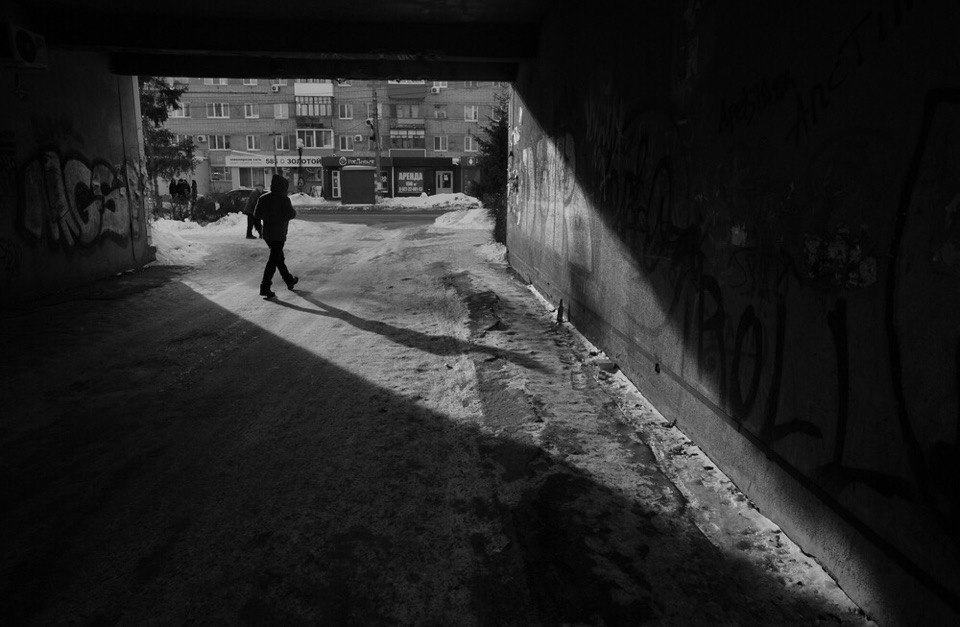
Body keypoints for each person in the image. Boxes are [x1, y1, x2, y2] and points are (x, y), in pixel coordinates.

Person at [254, 175, 298, 298]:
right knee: (273, 260)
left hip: (267, 234)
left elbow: (257, 214)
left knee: (278, 258)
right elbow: (291, 214)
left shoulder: (263, 198)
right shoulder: (284, 199)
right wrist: (289, 214)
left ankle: (289, 280)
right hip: (278, 234)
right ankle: (265, 286)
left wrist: (268, 216)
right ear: (283, 187)